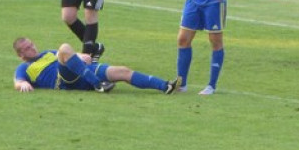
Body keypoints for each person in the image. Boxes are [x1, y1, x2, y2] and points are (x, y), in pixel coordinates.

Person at [12, 37, 180, 94]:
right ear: (21, 55)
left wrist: (79, 55)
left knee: (122, 71)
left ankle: (165, 86)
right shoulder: (24, 68)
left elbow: (67, 55)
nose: (32, 48)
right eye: (27, 48)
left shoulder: (47, 53)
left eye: (32, 44)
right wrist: (22, 83)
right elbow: (17, 82)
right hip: (63, 81)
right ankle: (98, 84)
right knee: (64, 47)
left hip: (82, 72)